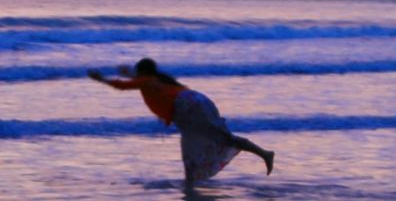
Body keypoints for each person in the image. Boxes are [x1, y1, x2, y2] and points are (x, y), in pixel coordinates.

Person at [89, 57, 275, 182]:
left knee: (215, 139)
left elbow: (123, 86)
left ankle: (264, 154)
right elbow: (136, 80)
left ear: (142, 72)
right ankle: (191, 183)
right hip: (195, 102)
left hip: (188, 108)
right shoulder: (157, 79)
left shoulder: (147, 81)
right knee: (214, 138)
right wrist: (126, 74)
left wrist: (101, 79)